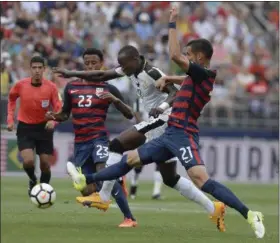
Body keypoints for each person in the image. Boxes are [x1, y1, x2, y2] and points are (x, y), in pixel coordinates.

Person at [64, 7, 266, 238]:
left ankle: (250, 214)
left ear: (199, 58)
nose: (186, 59)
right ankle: (88, 181)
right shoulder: (195, 76)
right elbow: (183, 78)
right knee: (131, 159)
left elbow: (174, 55)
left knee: (201, 179)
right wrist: (170, 78)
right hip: (169, 133)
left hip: (183, 133)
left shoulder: (205, 74)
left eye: (189, 55)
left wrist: (172, 23)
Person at [54, 46, 227, 232]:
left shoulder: (151, 72)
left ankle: (103, 197)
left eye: (124, 65)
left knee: (116, 145)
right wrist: (70, 72)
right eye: (120, 65)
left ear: (135, 60)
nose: (122, 69)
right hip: (158, 125)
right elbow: (101, 76)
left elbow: (175, 93)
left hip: (164, 119)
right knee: (170, 178)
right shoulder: (130, 67)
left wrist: (161, 107)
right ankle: (214, 207)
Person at [46, 48, 137, 228]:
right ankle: (116, 180)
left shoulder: (108, 87)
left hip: (99, 138)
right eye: (87, 63)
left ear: (101, 64)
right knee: (87, 189)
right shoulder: (71, 88)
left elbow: (129, 114)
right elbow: (65, 114)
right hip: (80, 142)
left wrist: (114, 100)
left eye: (94, 63)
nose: (90, 66)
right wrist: (54, 116)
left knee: (103, 173)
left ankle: (129, 218)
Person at [7, 56, 62, 195]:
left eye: (40, 68)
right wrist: (10, 119)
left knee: (45, 164)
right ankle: (32, 179)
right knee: (28, 161)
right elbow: (11, 99)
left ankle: (43, 192)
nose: (37, 70)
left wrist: (53, 120)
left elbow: (58, 107)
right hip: (25, 127)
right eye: (34, 68)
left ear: (44, 69)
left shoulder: (51, 87)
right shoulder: (20, 85)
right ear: (30, 69)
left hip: (44, 127)